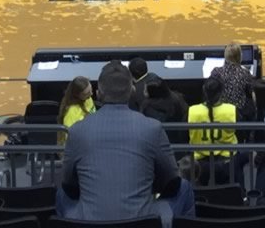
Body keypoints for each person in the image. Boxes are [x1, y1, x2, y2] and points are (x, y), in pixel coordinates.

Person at [58, 65, 196, 222]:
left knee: (60, 194)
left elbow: (68, 186)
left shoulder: (76, 131)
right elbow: (173, 182)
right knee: (185, 188)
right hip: (143, 222)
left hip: (90, 222)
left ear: (98, 94)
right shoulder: (152, 128)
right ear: (131, 91)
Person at [187, 76, 237, 185]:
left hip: (199, 161)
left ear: (204, 91)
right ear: (221, 93)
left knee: (200, 190)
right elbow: (242, 133)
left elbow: (183, 135)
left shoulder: (192, 111)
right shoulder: (231, 110)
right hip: (225, 160)